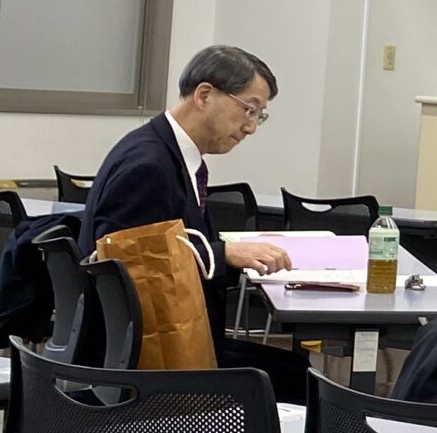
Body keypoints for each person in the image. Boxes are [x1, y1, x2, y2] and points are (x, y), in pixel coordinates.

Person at [77, 44, 304, 395]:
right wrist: (224, 254)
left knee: (298, 372)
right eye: (249, 109)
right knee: (305, 384)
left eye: (259, 115)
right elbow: (131, 270)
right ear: (204, 95)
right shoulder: (148, 166)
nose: (250, 127)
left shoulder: (166, 152)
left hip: (179, 342)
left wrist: (229, 254)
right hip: (146, 362)